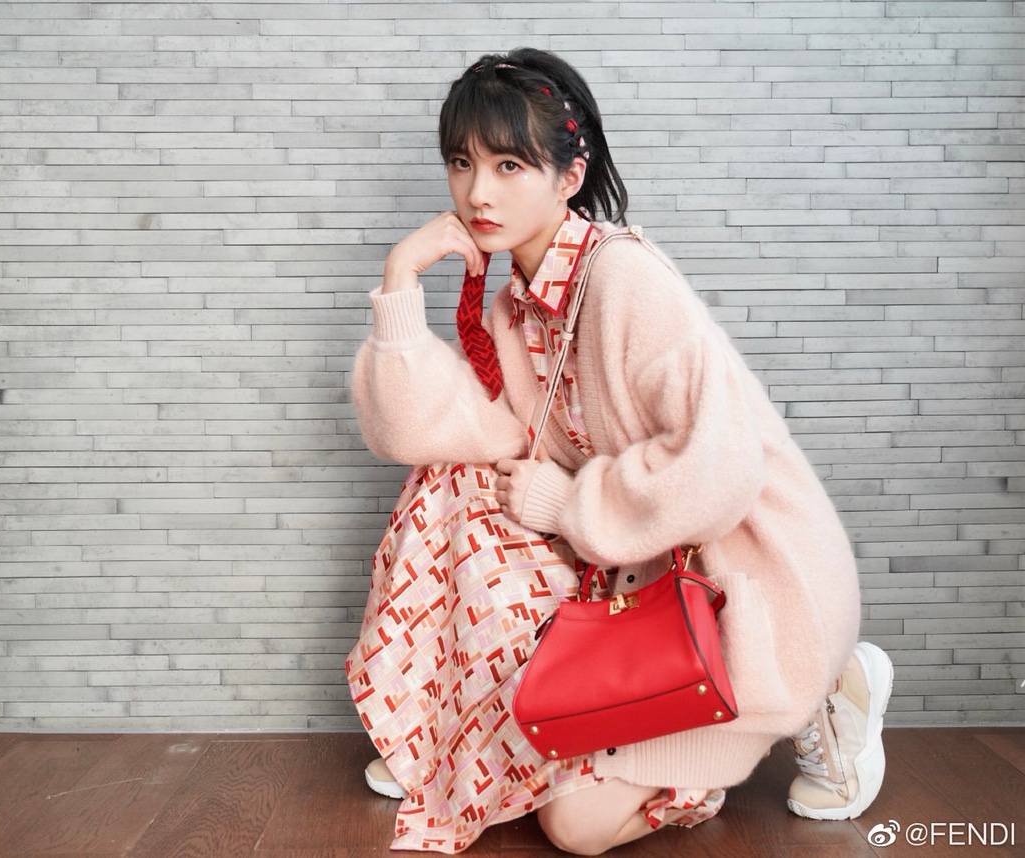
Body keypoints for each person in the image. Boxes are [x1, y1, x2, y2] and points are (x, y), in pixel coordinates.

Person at [345, 48, 894, 856]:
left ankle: (826, 691)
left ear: (570, 176)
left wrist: (568, 502)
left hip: (747, 588)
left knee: (576, 829)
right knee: (451, 481)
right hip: (636, 571)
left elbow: (721, 468)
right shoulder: (516, 310)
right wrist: (400, 281)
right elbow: (430, 432)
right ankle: (438, 725)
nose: (478, 192)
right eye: (462, 163)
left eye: (508, 165)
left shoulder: (624, 279)